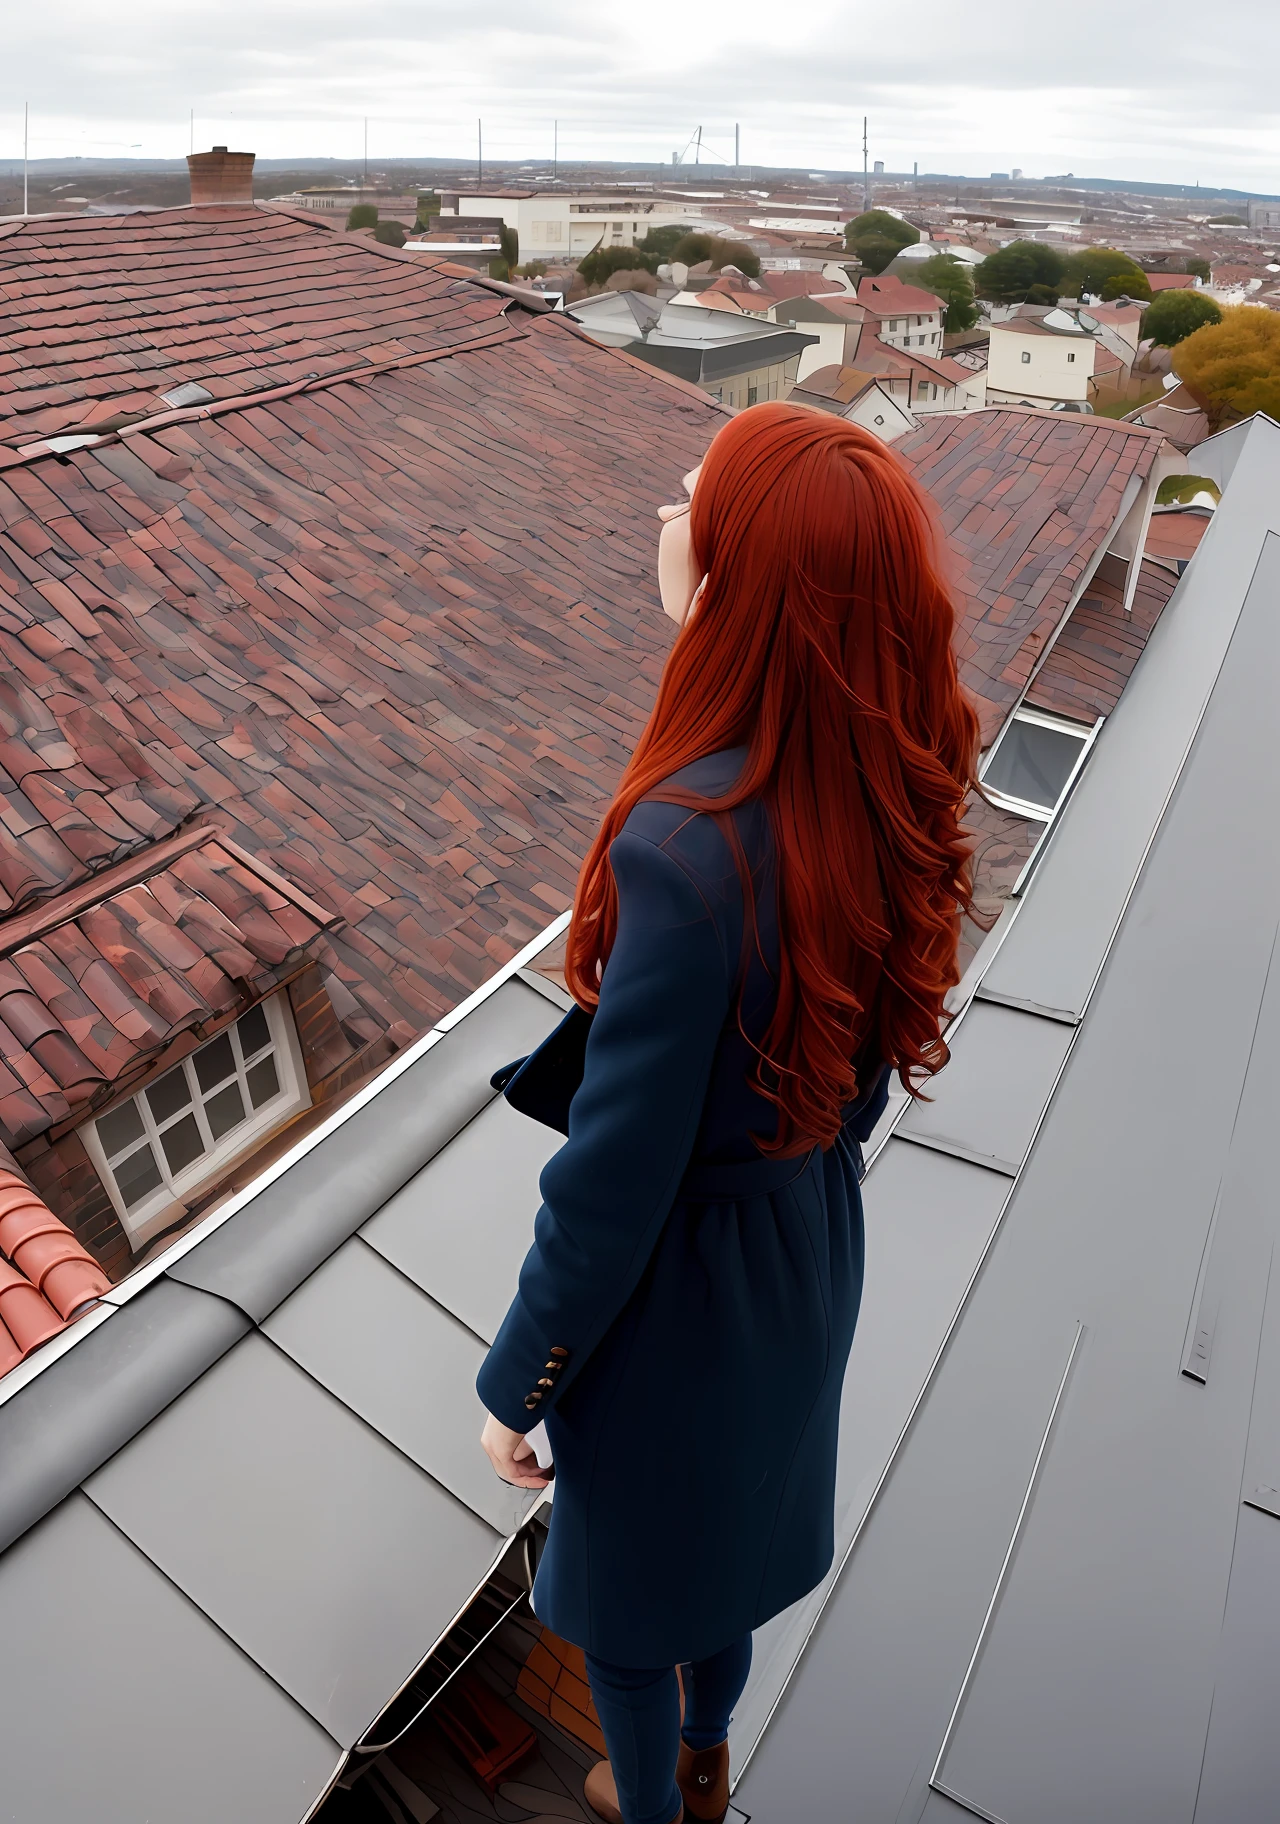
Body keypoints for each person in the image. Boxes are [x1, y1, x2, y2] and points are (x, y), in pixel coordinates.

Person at [477, 402, 980, 1824]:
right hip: (808, 1243)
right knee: (737, 1544)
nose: (662, 516)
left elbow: (610, 1184)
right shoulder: (883, 785)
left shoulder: (682, 840)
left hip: (681, 1296)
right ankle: (709, 1765)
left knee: (627, 1615)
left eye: (688, 497)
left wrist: (520, 1381)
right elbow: (863, 1064)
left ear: (737, 569)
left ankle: (660, 1811)